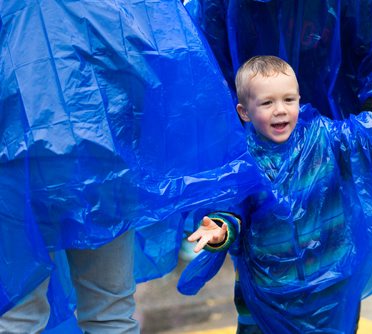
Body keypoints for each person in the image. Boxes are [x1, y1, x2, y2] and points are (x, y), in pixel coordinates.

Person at [0, 1, 262, 332]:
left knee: (20, 314)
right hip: (101, 164)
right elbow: (149, 68)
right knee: (109, 310)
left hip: (14, 164)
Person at [179, 55, 372, 333]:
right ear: (244, 112)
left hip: (330, 292)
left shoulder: (324, 139)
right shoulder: (244, 162)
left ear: (300, 100)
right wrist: (220, 229)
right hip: (267, 300)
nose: (280, 110)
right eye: (267, 103)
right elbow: (232, 209)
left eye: (289, 100)